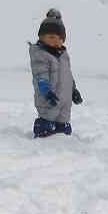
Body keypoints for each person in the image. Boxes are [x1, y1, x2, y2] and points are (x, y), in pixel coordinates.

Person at [30, 8, 83, 138]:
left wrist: (73, 90)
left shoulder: (64, 56)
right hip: (49, 99)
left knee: (64, 128)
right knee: (46, 125)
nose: (56, 41)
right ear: (41, 37)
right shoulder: (41, 55)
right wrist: (46, 92)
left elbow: (68, 75)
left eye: (60, 38)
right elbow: (40, 76)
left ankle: (62, 141)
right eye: (52, 37)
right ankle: (41, 140)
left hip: (64, 101)